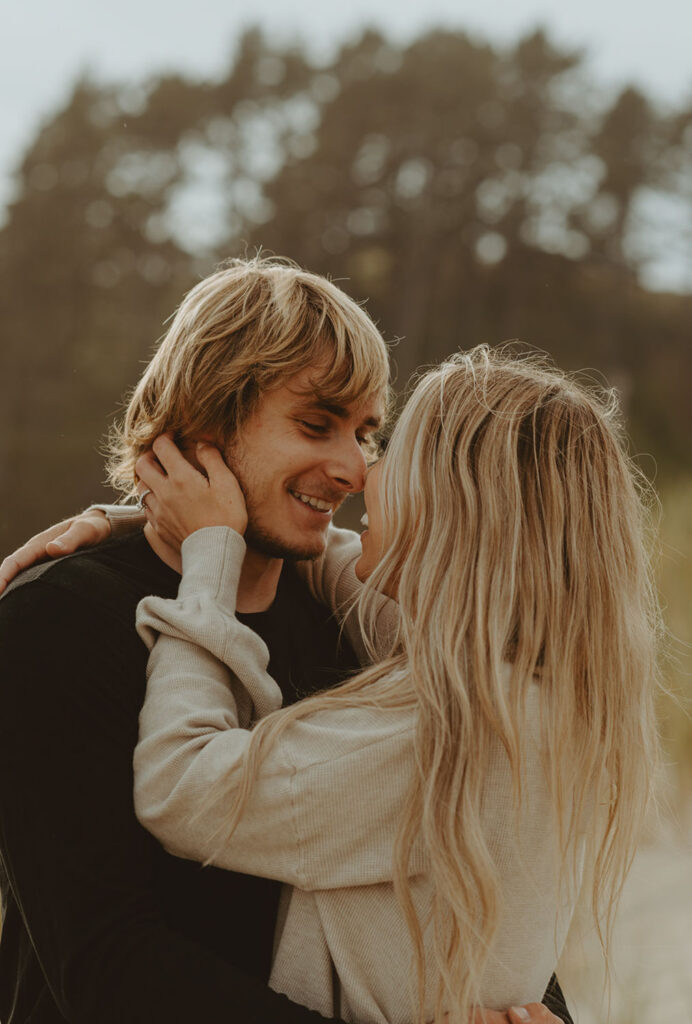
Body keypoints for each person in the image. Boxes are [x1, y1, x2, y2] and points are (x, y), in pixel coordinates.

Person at [0, 258, 568, 1024]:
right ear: (202, 426)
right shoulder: (60, 621)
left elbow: (473, 864)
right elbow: (108, 966)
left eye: (366, 434)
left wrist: (540, 1010)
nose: (352, 470)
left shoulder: (356, 622)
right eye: (315, 424)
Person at [124, 346, 661, 1024]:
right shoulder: (537, 688)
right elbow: (338, 563)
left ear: (454, 508)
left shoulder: (446, 732)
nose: (364, 472)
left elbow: (181, 788)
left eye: (394, 452)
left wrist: (207, 559)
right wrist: (138, 521)